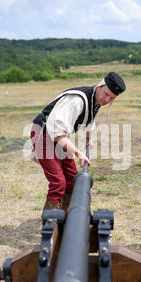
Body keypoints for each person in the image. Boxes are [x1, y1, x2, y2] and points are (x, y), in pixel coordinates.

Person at [31, 72, 126, 211]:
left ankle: (67, 216)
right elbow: (57, 134)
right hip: (43, 134)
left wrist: (89, 138)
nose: (106, 100)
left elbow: (89, 119)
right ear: (100, 86)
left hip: (59, 137)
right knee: (58, 182)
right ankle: (51, 222)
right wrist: (78, 153)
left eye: (111, 98)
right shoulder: (77, 100)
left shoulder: (96, 99)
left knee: (71, 179)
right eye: (106, 94)